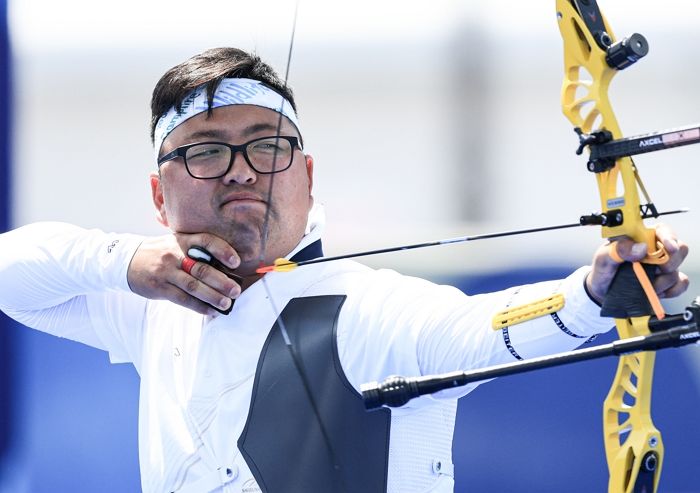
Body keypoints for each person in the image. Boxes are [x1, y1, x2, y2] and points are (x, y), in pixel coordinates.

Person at [0, 47, 690, 493]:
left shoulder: (361, 310)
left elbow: (478, 329)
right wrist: (125, 263)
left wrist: (591, 295)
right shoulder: (156, 307)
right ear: (160, 194)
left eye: (265, 146)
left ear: (305, 175)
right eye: (205, 151)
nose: (241, 169)